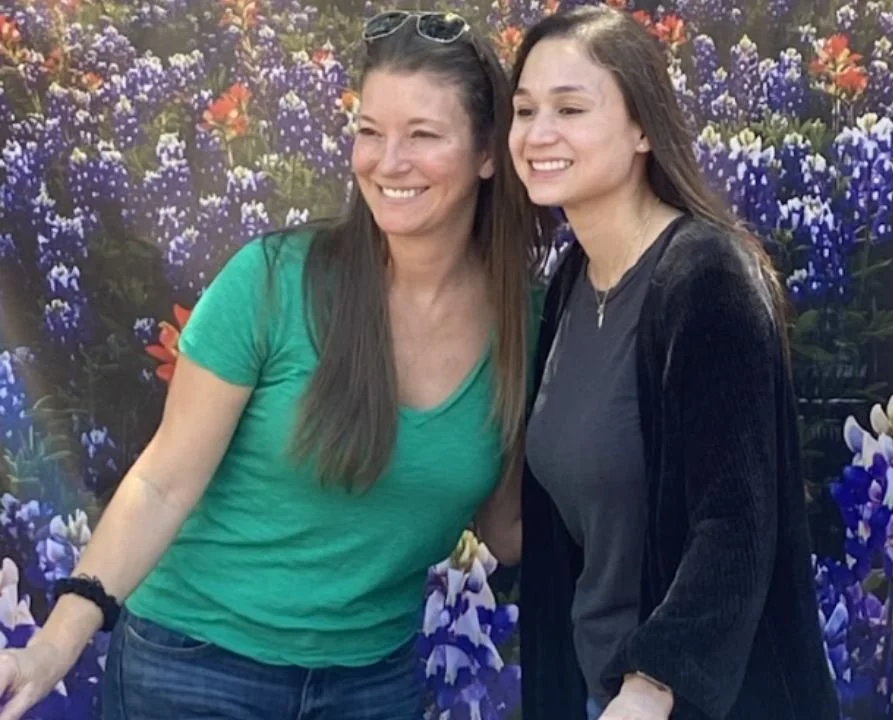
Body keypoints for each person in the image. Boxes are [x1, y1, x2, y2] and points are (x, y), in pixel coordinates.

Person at [0, 10, 544, 720]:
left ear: (488, 153)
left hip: (370, 683)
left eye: (423, 135)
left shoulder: (527, 323)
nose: (388, 162)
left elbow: (507, 530)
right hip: (194, 667)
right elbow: (163, 483)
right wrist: (57, 640)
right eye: (370, 132)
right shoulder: (273, 281)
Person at [509, 6, 840, 720]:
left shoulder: (707, 277)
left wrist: (654, 683)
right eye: (524, 110)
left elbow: (736, 524)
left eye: (570, 108)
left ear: (643, 129)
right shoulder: (571, 280)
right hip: (596, 692)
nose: (538, 134)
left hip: (683, 705)